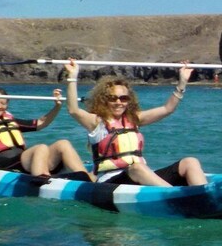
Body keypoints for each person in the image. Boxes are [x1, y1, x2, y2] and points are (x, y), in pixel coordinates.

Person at [64, 60, 207, 187]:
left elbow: (167, 109)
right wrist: (72, 76)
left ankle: (204, 196)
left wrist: (182, 81)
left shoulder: (134, 119)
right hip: (110, 181)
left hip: (140, 174)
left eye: (123, 98)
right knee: (138, 168)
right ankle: (176, 197)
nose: (118, 102)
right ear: (104, 100)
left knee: (190, 161)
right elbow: (73, 110)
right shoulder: (97, 122)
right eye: (113, 98)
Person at [0, 84, 94, 180]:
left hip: (22, 160)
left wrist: (57, 106)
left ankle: (85, 177)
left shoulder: (10, 120)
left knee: (63, 143)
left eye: (3, 103)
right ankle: (42, 179)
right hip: (3, 163)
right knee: (40, 148)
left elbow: (40, 124)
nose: (0, 106)